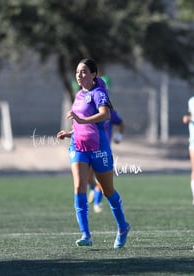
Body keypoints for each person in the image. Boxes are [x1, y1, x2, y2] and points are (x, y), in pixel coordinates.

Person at [57, 58, 130, 248]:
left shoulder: (99, 94)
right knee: (79, 186)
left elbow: (105, 115)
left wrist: (81, 121)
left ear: (94, 74)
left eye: (83, 72)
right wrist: (70, 132)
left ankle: (123, 227)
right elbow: (80, 123)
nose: (79, 75)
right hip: (78, 147)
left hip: (99, 148)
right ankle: (86, 235)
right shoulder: (79, 95)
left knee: (107, 191)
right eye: (77, 72)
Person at [88, 107, 125, 213]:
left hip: (103, 150)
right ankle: (93, 188)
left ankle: (97, 203)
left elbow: (122, 124)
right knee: (88, 178)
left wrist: (119, 137)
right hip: (87, 149)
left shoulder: (110, 113)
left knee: (101, 179)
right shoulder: (88, 111)